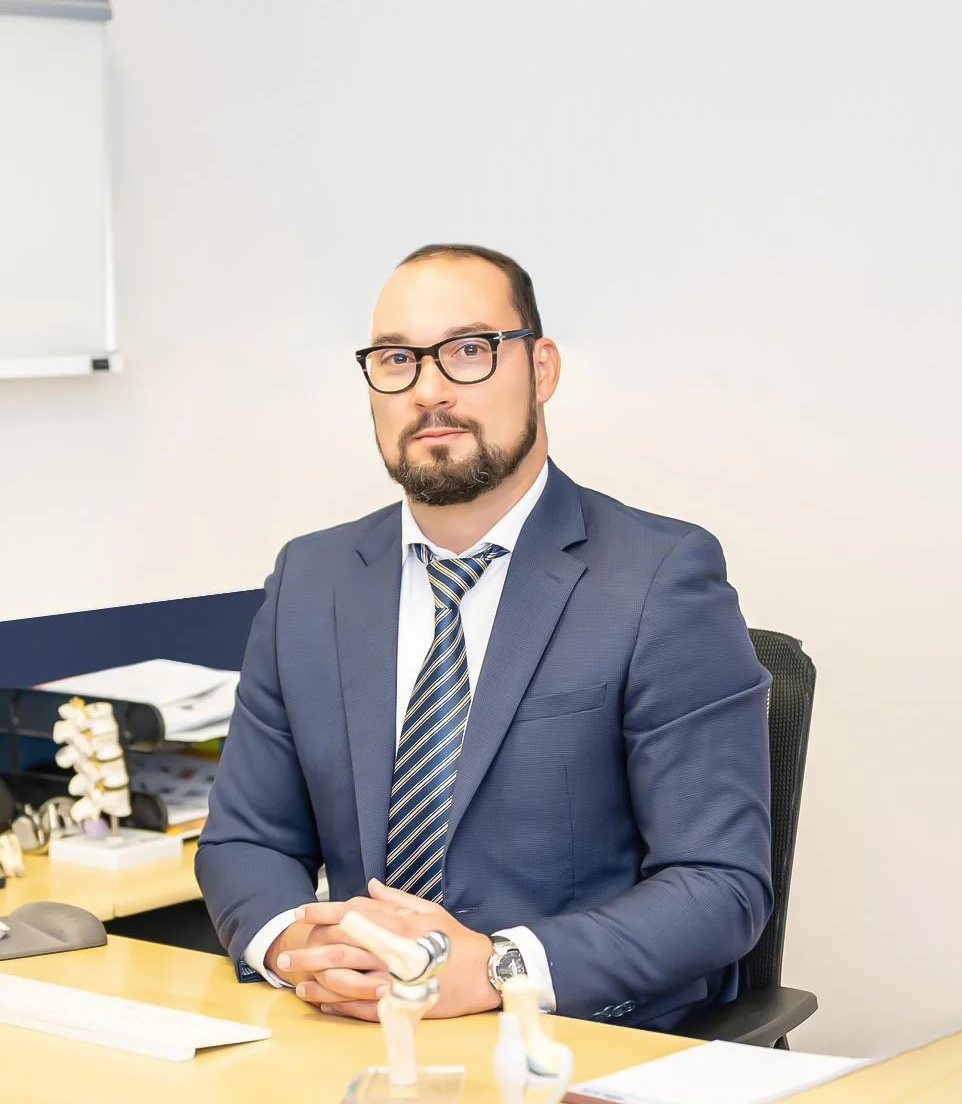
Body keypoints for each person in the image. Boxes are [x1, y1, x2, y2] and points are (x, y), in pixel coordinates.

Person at [196, 243, 773, 1031]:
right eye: (397, 359)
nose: (430, 390)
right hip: (359, 1041)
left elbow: (719, 885)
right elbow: (245, 842)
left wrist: (500, 969)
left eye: (469, 351)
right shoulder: (312, 579)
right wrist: (297, 945)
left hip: (570, 1044)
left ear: (542, 370)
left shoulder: (658, 578)